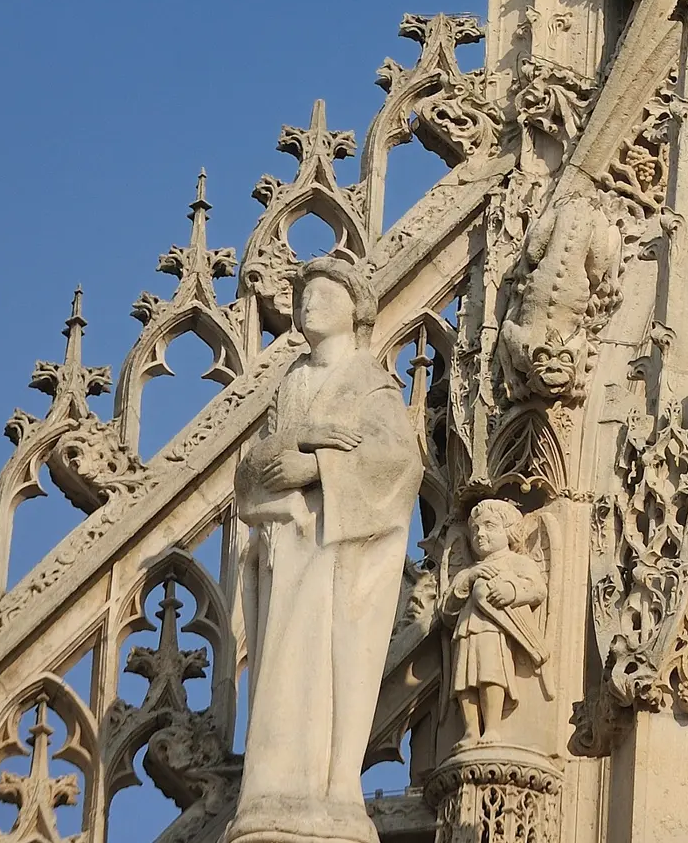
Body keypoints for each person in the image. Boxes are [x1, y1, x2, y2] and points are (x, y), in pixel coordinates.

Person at [228, 256, 423, 843]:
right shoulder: (291, 383)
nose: (309, 303)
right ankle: (273, 787)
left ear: (355, 311)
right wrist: (296, 442)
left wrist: (315, 467)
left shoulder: (371, 381)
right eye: (304, 295)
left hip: (337, 556)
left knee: (324, 671)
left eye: (324, 295)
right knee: (281, 675)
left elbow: (398, 462)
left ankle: (324, 790)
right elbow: (250, 470)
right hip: (283, 552)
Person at [446, 499, 550, 746]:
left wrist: (512, 591)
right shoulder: (468, 571)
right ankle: (471, 730)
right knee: (465, 680)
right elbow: (447, 609)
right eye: (475, 529)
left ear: (509, 531)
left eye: (490, 526)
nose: (480, 534)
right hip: (467, 630)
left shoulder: (516, 562)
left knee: (491, 674)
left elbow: (537, 590)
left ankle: (492, 727)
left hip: (495, 631)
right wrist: (469, 579)